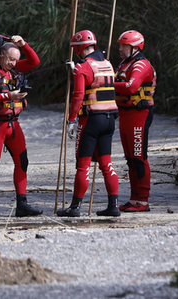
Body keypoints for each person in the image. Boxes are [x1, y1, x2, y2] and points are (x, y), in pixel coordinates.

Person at [0, 32, 43, 217]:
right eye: (11, 59)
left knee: (23, 162)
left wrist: (24, 45)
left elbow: (34, 62)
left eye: (16, 60)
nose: (14, 63)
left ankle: (22, 205)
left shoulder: (12, 68)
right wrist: (9, 95)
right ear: (1, 55)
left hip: (13, 125)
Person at [57, 29, 121, 217]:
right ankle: (113, 206)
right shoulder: (108, 63)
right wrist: (75, 70)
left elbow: (78, 95)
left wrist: (71, 120)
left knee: (83, 165)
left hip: (91, 120)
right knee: (106, 164)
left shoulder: (82, 67)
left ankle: (75, 208)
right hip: (109, 120)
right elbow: (95, 81)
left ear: (79, 49)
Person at [113, 30, 156, 212]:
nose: (121, 49)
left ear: (135, 47)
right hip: (125, 115)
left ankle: (143, 201)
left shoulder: (141, 65)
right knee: (130, 159)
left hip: (139, 114)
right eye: (121, 46)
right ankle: (134, 198)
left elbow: (132, 87)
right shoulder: (124, 64)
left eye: (124, 46)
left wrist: (108, 84)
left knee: (139, 157)